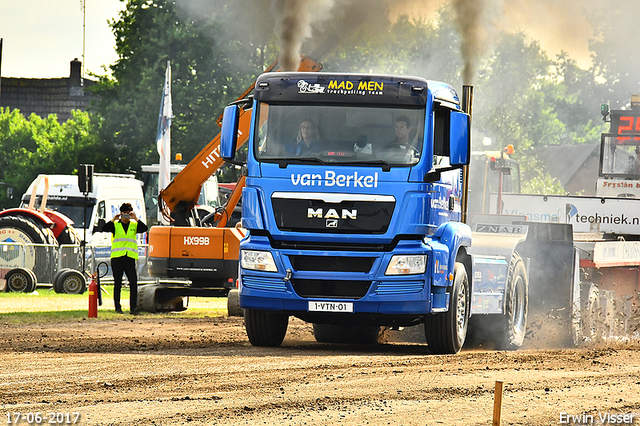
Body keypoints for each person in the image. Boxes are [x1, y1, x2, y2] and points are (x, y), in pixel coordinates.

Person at [102, 203, 148, 314]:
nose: (126, 216)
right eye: (125, 214)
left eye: (128, 213)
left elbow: (145, 228)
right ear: (121, 214)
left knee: (133, 282)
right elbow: (104, 228)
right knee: (117, 283)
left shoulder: (134, 225)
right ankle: (118, 307)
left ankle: (133, 308)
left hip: (130, 258)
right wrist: (113, 219)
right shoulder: (115, 225)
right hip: (117, 258)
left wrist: (136, 218)